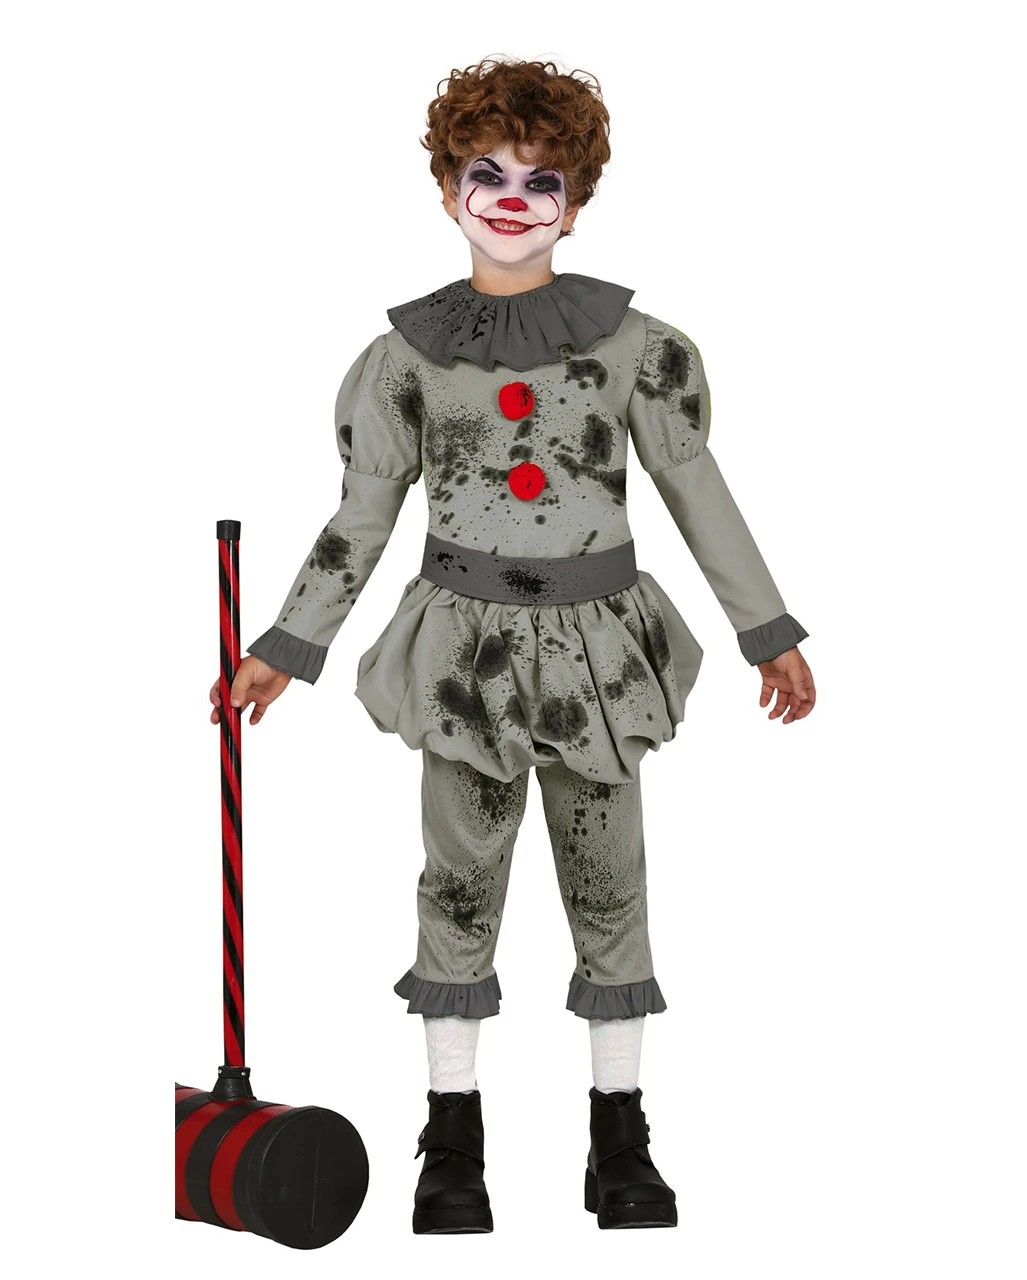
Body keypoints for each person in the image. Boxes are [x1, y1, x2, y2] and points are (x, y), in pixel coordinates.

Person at [209, 57, 816, 1233]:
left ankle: (619, 1136)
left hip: (599, 659)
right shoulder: (407, 359)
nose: (512, 198)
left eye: (543, 181)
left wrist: (767, 629)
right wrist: (288, 642)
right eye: (487, 173)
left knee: (610, 884)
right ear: (447, 188)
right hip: (464, 664)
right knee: (457, 884)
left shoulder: (634, 348)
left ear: (574, 205)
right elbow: (362, 517)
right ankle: (452, 1137)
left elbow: (696, 489)